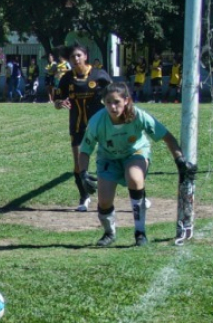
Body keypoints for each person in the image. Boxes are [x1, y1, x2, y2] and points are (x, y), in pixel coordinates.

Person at [78, 81, 191, 248]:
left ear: (126, 100)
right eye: (108, 102)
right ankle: (109, 233)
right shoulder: (97, 121)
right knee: (104, 201)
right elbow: (85, 150)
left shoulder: (138, 116)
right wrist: (83, 173)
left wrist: (179, 159)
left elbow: (167, 136)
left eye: (116, 102)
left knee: (134, 177)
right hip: (108, 158)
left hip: (135, 153)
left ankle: (140, 232)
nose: (112, 107)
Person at [53, 44, 112, 212]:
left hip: (99, 126)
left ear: (85, 56)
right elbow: (56, 103)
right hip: (77, 125)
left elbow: (116, 94)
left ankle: (133, 193)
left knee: (111, 159)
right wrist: (60, 103)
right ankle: (84, 196)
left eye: (78, 55)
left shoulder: (99, 75)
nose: (76, 59)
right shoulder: (66, 79)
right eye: (72, 57)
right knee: (78, 164)